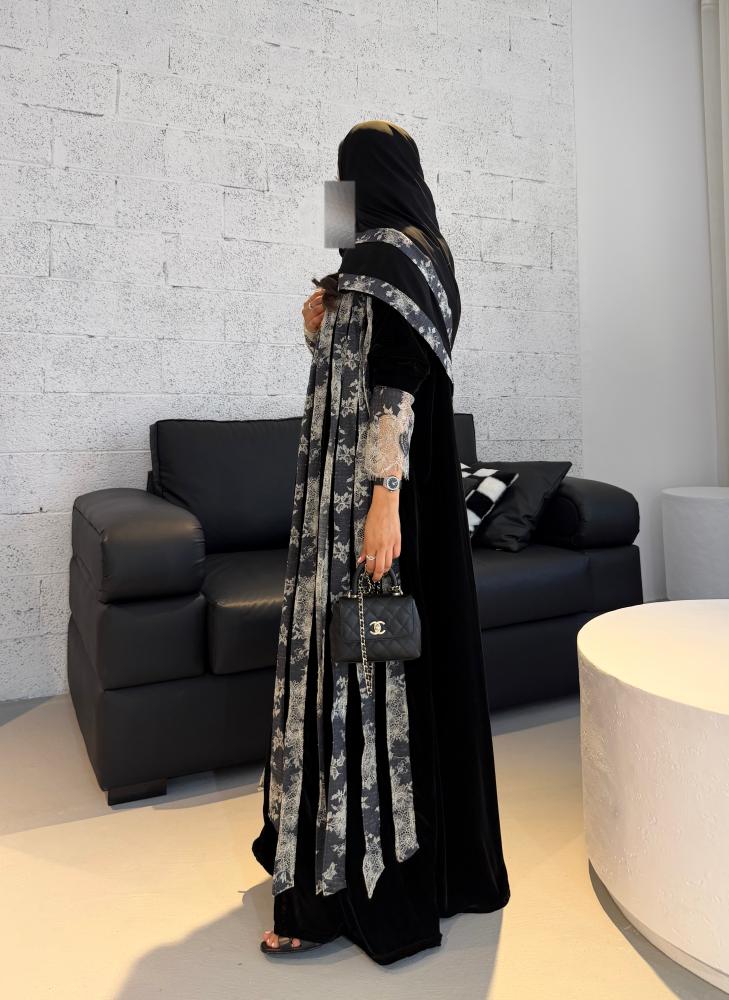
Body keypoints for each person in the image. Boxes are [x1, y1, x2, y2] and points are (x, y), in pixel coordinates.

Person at [252, 120, 510, 965]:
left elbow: (397, 384)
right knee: (390, 663)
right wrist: (317, 323)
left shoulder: (391, 257)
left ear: (363, 178)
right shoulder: (412, 255)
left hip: (373, 502)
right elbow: (358, 366)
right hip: (379, 498)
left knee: (364, 668)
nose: (336, 197)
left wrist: (382, 503)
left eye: (343, 179)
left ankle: (347, 891)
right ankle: (417, 868)